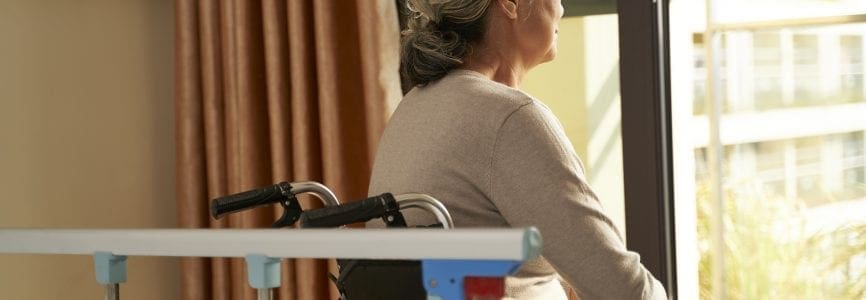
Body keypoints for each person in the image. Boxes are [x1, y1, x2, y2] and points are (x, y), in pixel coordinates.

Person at [367, 0, 668, 298]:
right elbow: (625, 291)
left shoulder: (412, 110)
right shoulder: (507, 117)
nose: (561, 8)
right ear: (510, 4)